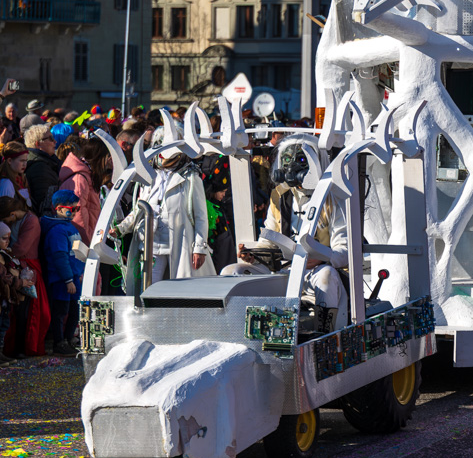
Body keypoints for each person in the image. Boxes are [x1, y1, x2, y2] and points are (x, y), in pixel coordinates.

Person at [239, 134, 348, 333]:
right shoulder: (279, 196)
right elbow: (269, 237)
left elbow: (344, 251)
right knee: (235, 271)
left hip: (316, 271)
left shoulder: (333, 198)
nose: (290, 169)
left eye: (299, 160)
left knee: (326, 277)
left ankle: (325, 333)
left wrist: (321, 258)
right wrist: (253, 254)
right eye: (287, 161)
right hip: (284, 269)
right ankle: (243, 332)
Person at [116, 125, 215, 282]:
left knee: (179, 292)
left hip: (180, 244)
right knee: (148, 288)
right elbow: (139, 209)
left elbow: (201, 215)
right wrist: (120, 229)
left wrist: (199, 248)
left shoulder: (191, 176)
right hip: (151, 244)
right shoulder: (149, 176)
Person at [0, 194, 50, 356]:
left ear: (13, 214)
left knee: (27, 311)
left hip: (26, 268)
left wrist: (7, 252)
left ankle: (21, 347)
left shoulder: (31, 221)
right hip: (18, 267)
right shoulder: (26, 220)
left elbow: (21, 248)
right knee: (18, 311)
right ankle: (15, 347)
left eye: (7, 219)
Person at [40, 190, 84, 355]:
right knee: (60, 311)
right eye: (72, 209)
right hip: (62, 279)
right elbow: (59, 257)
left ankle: (69, 338)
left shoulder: (69, 227)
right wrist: (67, 279)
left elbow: (78, 252)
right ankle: (59, 342)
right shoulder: (57, 231)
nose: (74, 212)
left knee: (74, 310)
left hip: (73, 277)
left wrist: (80, 271)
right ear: (59, 208)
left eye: (76, 209)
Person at [59, 138, 111, 246]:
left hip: (88, 238)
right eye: (106, 158)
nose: (107, 162)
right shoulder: (80, 180)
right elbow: (78, 215)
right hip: (81, 243)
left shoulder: (87, 175)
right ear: (98, 158)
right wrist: (90, 242)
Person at [0, 220, 25, 366]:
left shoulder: (6, 255)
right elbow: (4, 278)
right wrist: (18, 281)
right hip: (2, 296)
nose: (7, 241)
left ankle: (1, 353)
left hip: (5, 299)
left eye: (8, 238)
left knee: (3, 326)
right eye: (4, 238)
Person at [24, 124, 60, 214]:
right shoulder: (39, 167)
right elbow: (44, 204)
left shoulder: (44, 161)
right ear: (38, 144)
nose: (55, 141)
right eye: (51, 138)